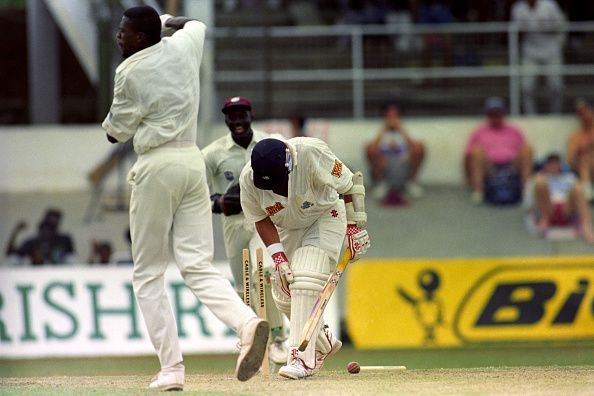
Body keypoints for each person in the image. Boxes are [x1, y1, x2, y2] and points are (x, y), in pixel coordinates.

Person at [100, 6, 269, 391]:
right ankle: (246, 323)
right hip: (192, 160)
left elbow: (116, 133)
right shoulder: (184, 46)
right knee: (197, 264)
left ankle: (172, 369)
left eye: (124, 32)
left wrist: (113, 122)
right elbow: (197, 24)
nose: (119, 37)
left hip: (156, 165)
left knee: (147, 273)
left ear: (141, 37)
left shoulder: (128, 71)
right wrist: (163, 21)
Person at [239, 136, 370, 379]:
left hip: (324, 216)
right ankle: (322, 341)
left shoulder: (312, 153)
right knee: (284, 294)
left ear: (289, 163)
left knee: (306, 280)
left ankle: (301, 358)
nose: (275, 190)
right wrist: (278, 258)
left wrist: (355, 226)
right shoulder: (248, 179)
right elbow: (260, 219)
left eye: (278, 182)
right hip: (287, 229)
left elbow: (350, 184)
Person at [202, 96, 288, 368]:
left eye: (242, 115)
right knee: (244, 291)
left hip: (261, 219)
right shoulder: (212, 154)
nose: (238, 121)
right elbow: (196, 197)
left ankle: (277, 339)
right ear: (226, 119)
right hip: (233, 224)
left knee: (262, 272)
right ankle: (250, 336)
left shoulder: (267, 143)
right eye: (232, 116)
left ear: (251, 115)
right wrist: (216, 203)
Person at [464, 96, 533, 204]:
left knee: (527, 149)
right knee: (476, 151)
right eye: (492, 114)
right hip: (490, 167)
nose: (495, 117)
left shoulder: (514, 130)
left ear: (503, 113)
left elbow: (523, 151)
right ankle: (479, 191)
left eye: (498, 113)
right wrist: (468, 178)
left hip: (511, 166)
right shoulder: (479, 131)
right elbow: (467, 155)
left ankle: (526, 192)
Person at [523, 153, 594, 243]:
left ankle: (587, 226)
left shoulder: (569, 178)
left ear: (560, 165)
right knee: (540, 184)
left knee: (578, 188)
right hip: (547, 207)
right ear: (546, 165)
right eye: (550, 164)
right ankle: (545, 219)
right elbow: (527, 201)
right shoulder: (537, 178)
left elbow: (585, 196)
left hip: (567, 208)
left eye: (555, 164)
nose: (553, 166)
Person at [511, 0, 566, 114]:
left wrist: (546, 26)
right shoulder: (518, 8)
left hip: (551, 50)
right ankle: (531, 115)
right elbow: (518, 30)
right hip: (530, 52)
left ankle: (556, 114)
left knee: (555, 86)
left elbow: (561, 25)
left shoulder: (550, 5)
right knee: (527, 86)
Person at [366, 102, 425, 205]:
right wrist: (383, 130)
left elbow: (416, 148)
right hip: (384, 166)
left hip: (404, 164)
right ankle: (381, 184)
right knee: (370, 148)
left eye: (395, 115)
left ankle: (411, 183)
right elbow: (371, 149)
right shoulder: (378, 130)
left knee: (420, 147)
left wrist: (401, 130)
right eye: (389, 115)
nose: (392, 119)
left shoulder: (406, 129)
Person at [5, 208, 77, 265]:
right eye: (46, 228)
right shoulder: (32, 242)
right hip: (35, 274)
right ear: (40, 229)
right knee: (14, 260)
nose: (48, 232)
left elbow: (71, 258)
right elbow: (10, 254)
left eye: (52, 228)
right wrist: (16, 231)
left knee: (71, 259)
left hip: (61, 273)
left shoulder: (64, 239)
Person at [566, 99, 594, 201]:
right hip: (584, 170)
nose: (584, 116)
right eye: (580, 113)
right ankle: (588, 192)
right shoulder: (575, 137)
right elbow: (570, 160)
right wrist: (583, 150)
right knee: (585, 159)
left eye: (586, 111)